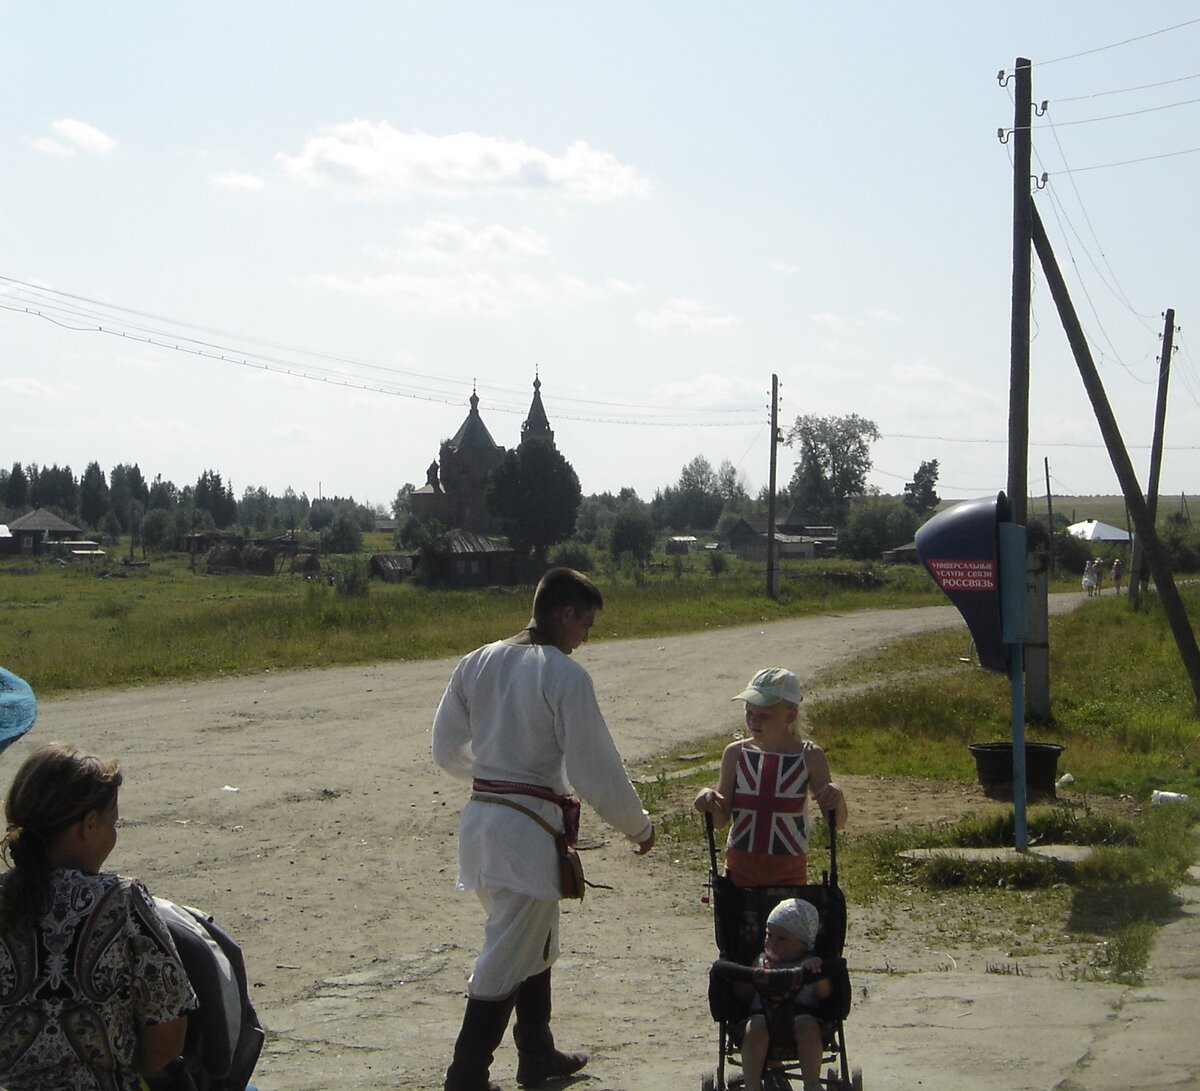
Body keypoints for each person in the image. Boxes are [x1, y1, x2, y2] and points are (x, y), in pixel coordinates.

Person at [431, 568, 656, 1091]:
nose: (587, 637)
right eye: (587, 625)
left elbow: (445, 749)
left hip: (483, 825)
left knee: (534, 942)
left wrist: (495, 777)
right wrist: (638, 826)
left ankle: (537, 1054)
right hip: (525, 837)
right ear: (565, 613)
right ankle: (465, 1077)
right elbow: (594, 768)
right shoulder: (563, 675)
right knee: (507, 953)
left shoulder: (477, 661)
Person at [0, 742, 197, 1091]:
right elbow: (166, 1038)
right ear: (89, 824)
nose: (113, 834)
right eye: (113, 823)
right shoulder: (122, 900)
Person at [694, 668, 846, 886]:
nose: (754, 721)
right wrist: (706, 799)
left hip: (789, 871)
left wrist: (837, 797)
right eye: (749, 713)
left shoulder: (810, 756)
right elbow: (720, 820)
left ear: (791, 714)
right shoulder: (736, 754)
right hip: (739, 869)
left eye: (764, 715)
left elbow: (836, 823)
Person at [739, 898, 831, 1091]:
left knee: (809, 1028)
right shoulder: (762, 960)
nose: (772, 943)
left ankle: (812, 1083)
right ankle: (752, 1085)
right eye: (768, 935)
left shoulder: (809, 962)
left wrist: (817, 974)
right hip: (763, 1015)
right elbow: (743, 996)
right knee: (754, 1027)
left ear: (804, 944)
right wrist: (756, 974)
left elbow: (825, 995)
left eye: (782, 939)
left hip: (800, 1015)